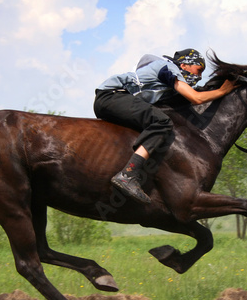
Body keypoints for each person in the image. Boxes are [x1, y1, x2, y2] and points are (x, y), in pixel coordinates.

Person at [94, 49, 237, 204]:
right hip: (112, 96)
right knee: (162, 122)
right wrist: (223, 90)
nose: (200, 76)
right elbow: (195, 98)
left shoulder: (167, 81)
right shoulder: (168, 68)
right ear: (184, 64)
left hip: (111, 99)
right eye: (199, 70)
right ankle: (128, 174)